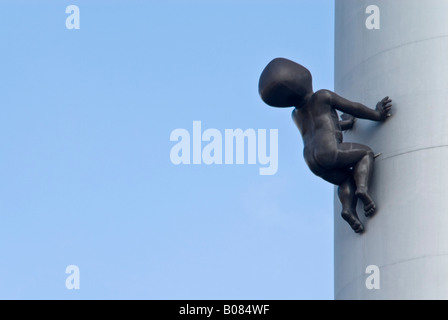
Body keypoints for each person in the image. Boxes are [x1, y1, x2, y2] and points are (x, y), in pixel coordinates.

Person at [259, 58, 392, 233]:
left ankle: (347, 208)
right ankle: (362, 189)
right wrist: (377, 114)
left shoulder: (296, 115)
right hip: (330, 150)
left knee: (344, 179)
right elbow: (354, 107)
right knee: (365, 153)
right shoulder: (322, 96)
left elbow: (321, 126)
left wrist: (345, 124)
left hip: (312, 161)